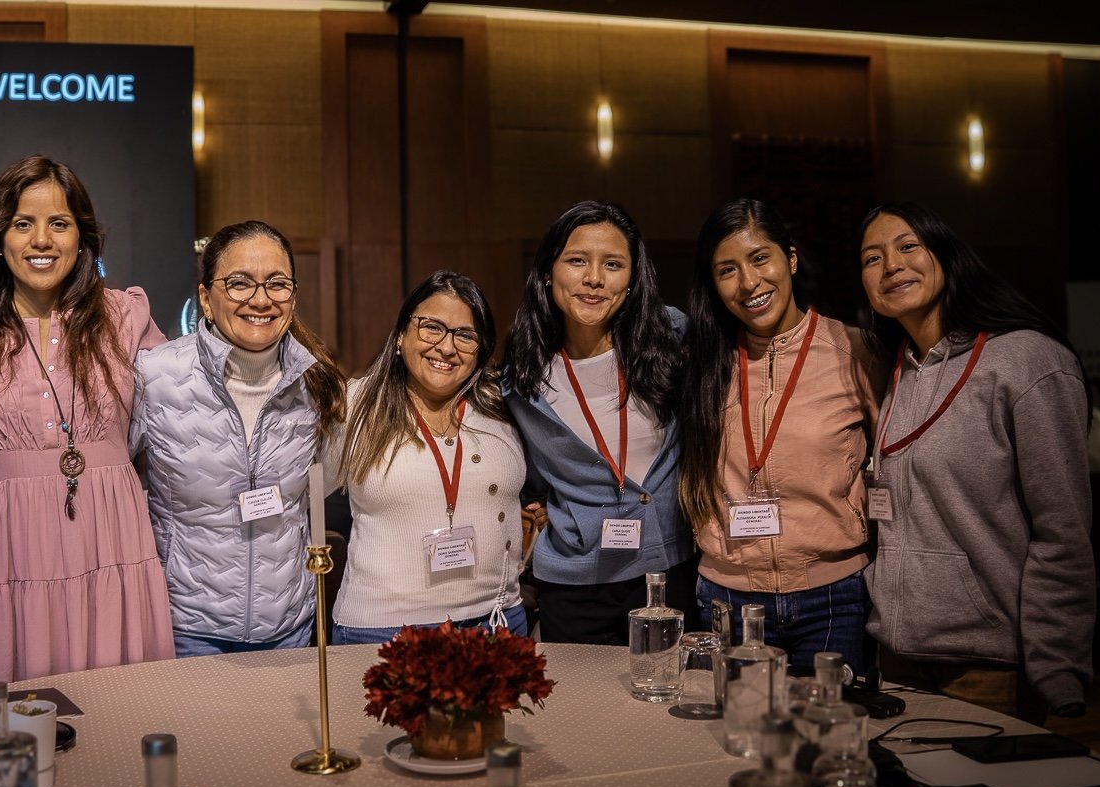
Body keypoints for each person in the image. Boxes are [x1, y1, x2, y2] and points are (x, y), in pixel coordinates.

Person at [858, 202, 1093, 724]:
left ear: (946, 254)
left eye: (908, 246)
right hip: (898, 654)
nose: (891, 265)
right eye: (872, 258)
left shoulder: (1027, 360)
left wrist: (1056, 665)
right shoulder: (897, 371)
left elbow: (1064, 530)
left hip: (990, 662)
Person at [0, 155, 173, 681]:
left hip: (113, 536)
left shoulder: (126, 315)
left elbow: (183, 415)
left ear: (82, 237)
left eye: (59, 223)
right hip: (12, 546)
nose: (41, 241)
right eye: (22, 224)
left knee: (122, 712)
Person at [679, 199, 882, 674]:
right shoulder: (701, 363)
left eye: (759, 258)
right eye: (727, 270)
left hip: (833, 597)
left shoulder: (854, 351)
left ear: (790, 259)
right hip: (727, 598)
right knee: (730, 742)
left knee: (825, 741)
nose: (749, 283)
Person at [131, 221, 345, 655]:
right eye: (240, 283)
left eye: (277, 284)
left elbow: (329, 481)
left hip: (289, 627)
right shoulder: (154, 377)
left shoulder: (317, 382)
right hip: (189, 628)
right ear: (206, 299)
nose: (261, 299)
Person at [504, 201, 693, 644]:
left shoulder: (671, 338)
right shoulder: (523, 370)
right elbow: (525, 469)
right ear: (549, 271)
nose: (594, 278)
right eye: (577, 261)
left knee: (666, 704)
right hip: (574, 583)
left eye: (612, 264)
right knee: (580, 711)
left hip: (669, 569)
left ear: (632, 278)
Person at [329, 271, 529, 644]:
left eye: (465, 335)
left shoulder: (502, 407)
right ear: (402, 334)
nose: (446, 347)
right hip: (385, 629)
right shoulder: (354, 407)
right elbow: (294, 488)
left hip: (496, 621)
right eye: (431, 327)